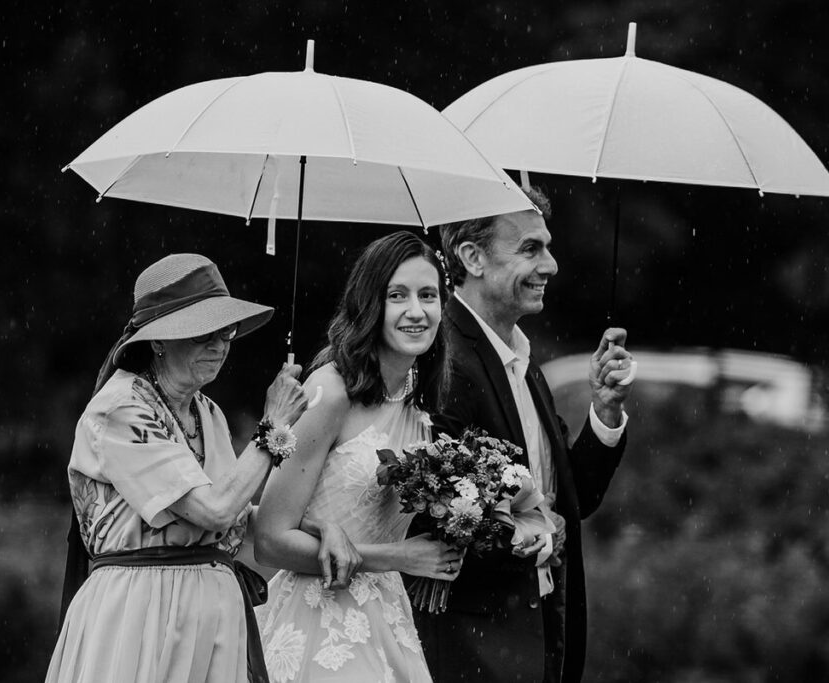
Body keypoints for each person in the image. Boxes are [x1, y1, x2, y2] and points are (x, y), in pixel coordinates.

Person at [47, 253, 353, 683]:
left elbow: (235, 519)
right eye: (201, 334)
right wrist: (274, 427)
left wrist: (318, 527)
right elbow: (214, 510)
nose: (220, 345)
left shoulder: (208, 412)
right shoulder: (120, 410)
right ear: (158, 341)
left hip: (213, 615)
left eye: (225, 331)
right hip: (143, 610)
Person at [414, 188, 635, 683]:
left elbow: (575, 498)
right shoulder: (442, 359)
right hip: (474, 642)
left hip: (541, 630)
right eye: (531, 249)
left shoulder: (523, 360)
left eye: (548, 247)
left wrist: (604, 411)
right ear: (472, 257)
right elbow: (430, 515)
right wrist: (529, 531)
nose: (551, 265)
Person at [253, 231, 463, 683]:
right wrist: (398, 557)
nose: (416, 311)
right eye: (398, 295)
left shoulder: (421, 407)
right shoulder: (329, 394)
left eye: (428, 296)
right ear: (371, 303)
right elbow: (270, 540)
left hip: (387, 621)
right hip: (317, 622)